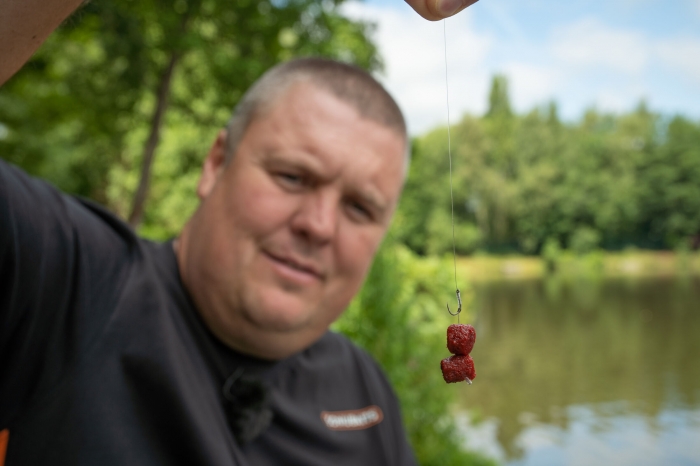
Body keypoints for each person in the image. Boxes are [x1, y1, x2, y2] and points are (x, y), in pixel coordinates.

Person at [0, 1, 478, 465]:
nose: (318, 225)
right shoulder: (69, 282)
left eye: (359, 207)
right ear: (215, 164)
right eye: (292, 177)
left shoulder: (363, 384)